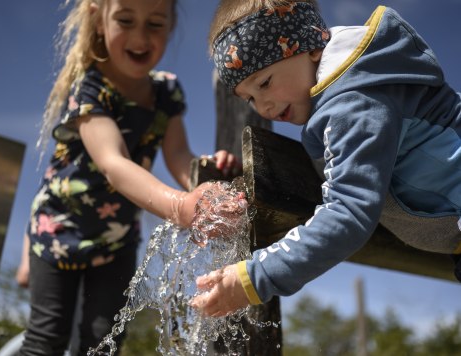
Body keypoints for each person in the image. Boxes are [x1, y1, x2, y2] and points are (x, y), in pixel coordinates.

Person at [190, 0, 461, 317]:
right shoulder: (350, 99)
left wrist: (255, 277)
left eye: (265, 83)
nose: (262, 106)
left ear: (311, 47)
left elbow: (348, 210)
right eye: (250, 97)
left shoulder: (352, 103)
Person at [17, 0, 244, 355]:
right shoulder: (90, 87)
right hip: (57, 231)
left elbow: (179, 157)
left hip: (117, 241)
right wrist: (182, 206)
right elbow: (113, 162)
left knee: (103, 340)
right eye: (125, 20)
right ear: (98, 21)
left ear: (170, 27)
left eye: (155, 23)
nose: (141, 36)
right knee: (47, 336)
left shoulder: (166, 92)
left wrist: (205, 175)